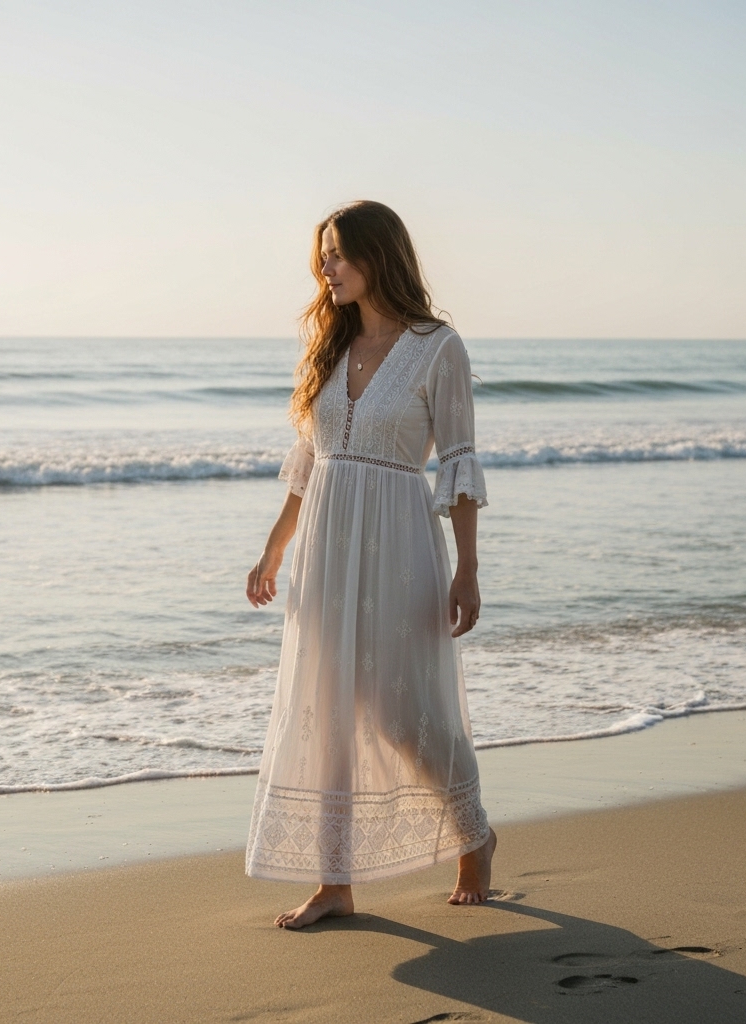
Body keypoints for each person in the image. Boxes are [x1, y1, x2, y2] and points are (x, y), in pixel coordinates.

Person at [245, 200, 496, 929]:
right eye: (321, 256)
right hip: (326, 541)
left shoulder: (437, 347)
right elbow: (308, 463)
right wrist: (274, 546)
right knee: (326, 707)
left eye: (338, 255)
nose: (326, 269)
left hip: (399, 540)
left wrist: (468, 567)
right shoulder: (331, 345)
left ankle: (473, 835)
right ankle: (335, 881)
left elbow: (458, 462)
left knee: (397, 708)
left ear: (377, 254)